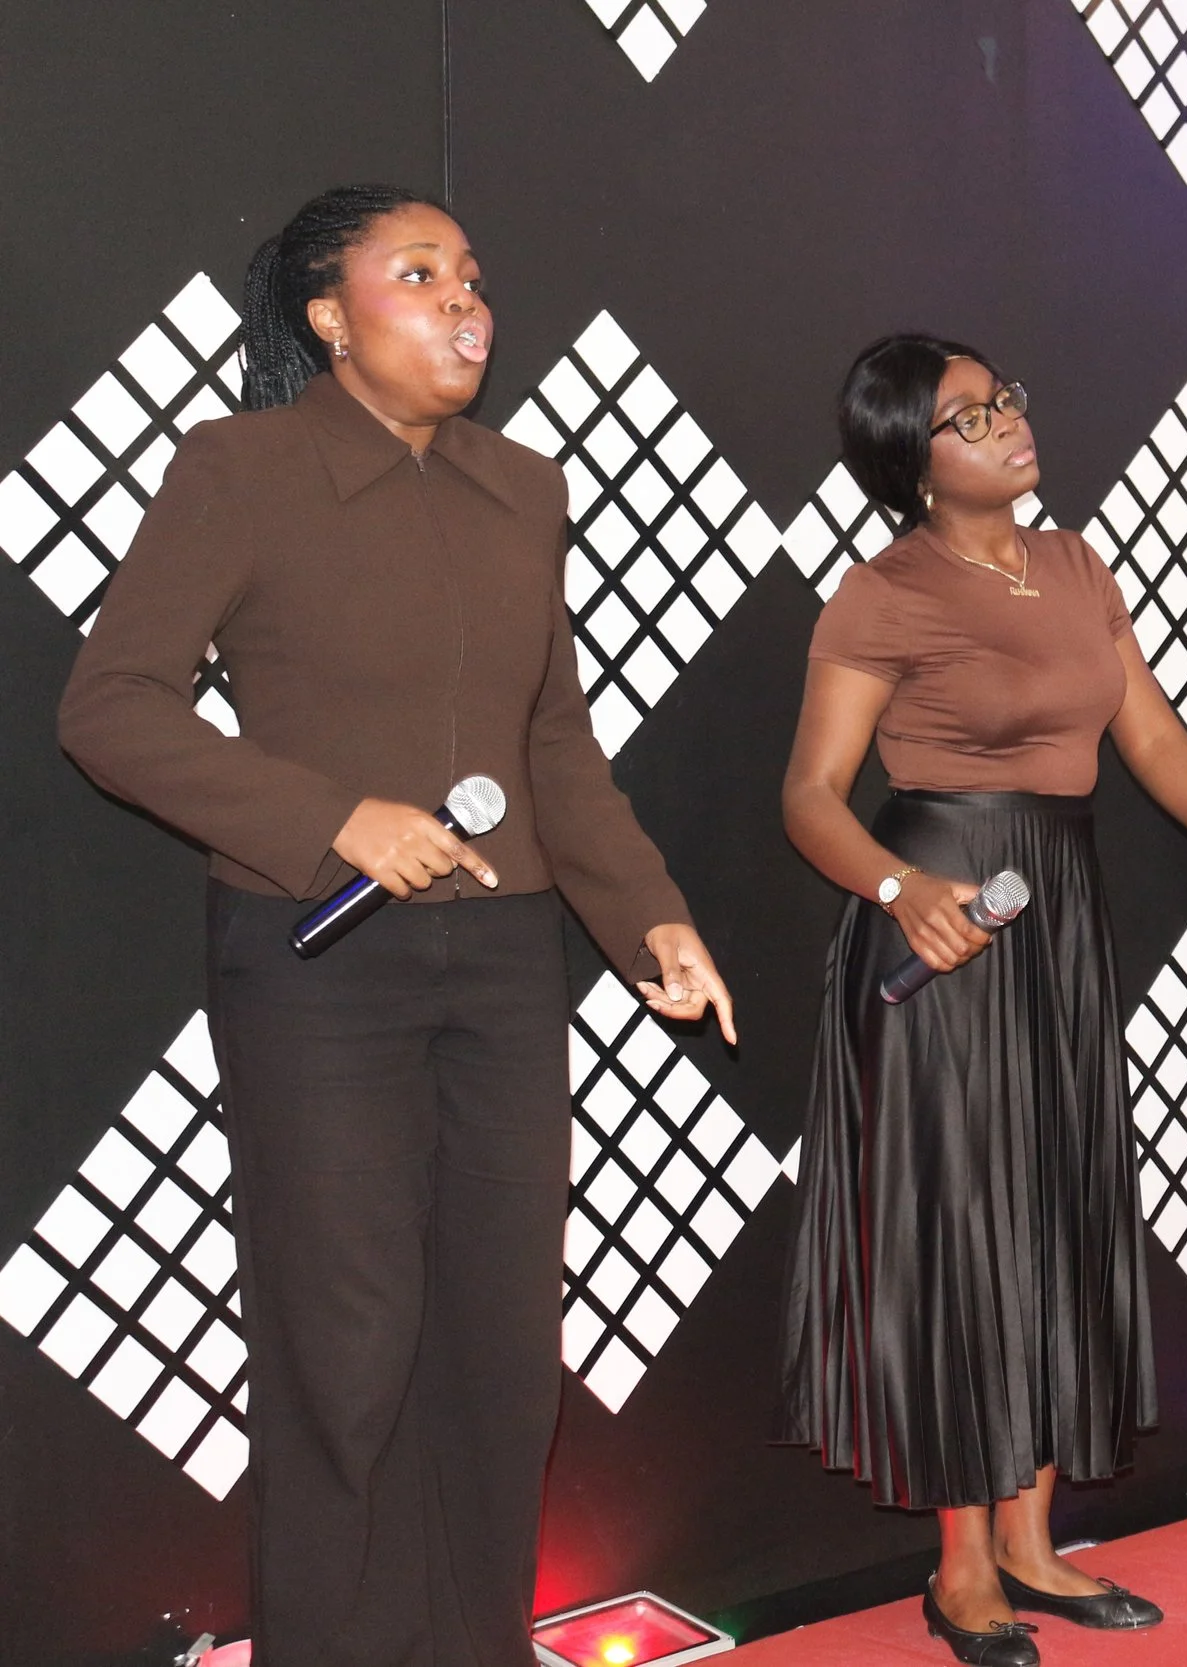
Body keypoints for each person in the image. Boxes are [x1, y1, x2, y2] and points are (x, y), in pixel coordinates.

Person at [56, 185, 734, 1667]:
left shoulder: (525, 487)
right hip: (318, 959)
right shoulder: (242, 466)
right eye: (418, 274)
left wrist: (650, 916)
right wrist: (330, 818)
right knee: (345, 1345)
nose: (463, 300)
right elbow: (109, 707)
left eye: (470, 274)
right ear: (329, 317)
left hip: (507, 961)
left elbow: (553, 741)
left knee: (502, 1344)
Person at [776, 335, 1187, 1667]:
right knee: (964, 1231)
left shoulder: (1075, 565)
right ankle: (959, 1569)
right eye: (968, 416)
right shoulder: (883, 591)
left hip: (1059, 911)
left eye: (1004, 397)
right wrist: (902, 891)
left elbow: (1150, 732)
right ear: (913, 461)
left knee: (1058, 1208)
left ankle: (1032, 1540)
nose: (1005, 421)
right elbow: (811, 797)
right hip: (941, 921)